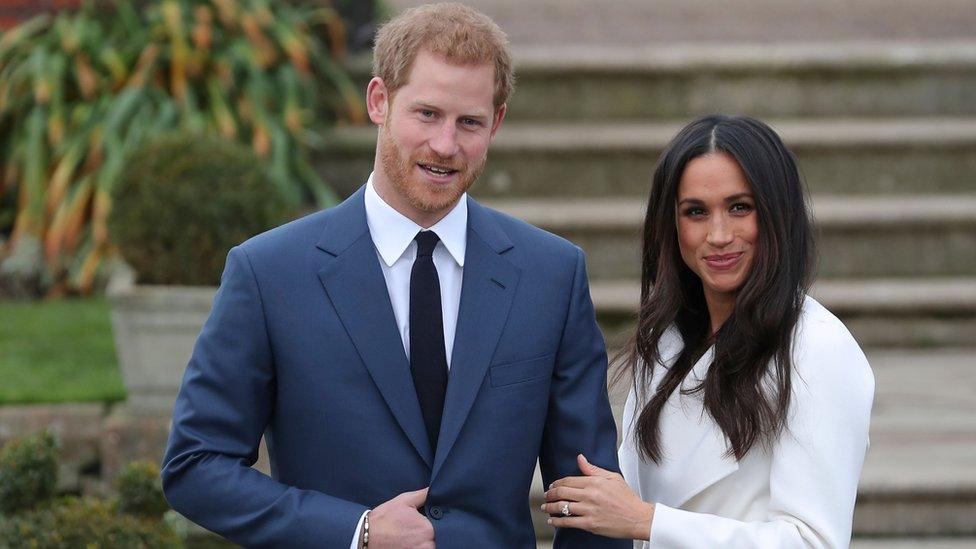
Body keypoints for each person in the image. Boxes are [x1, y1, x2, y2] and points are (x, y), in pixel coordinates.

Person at [160, 3, 627, 548]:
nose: (446, 145)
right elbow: (196, 465)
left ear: (496, 123)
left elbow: (593, 499)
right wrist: (353, 532)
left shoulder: (551, 275)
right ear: (379, 100)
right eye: (426, 113)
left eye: (469, 122)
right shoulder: (268, 273)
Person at [541, 115, 875, 548]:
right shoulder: (665, 342)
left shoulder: (817, 347)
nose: (718, 235)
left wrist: (648, 521)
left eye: (740, 207)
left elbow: (812, 542)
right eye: (695, 212)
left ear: (777, 213)